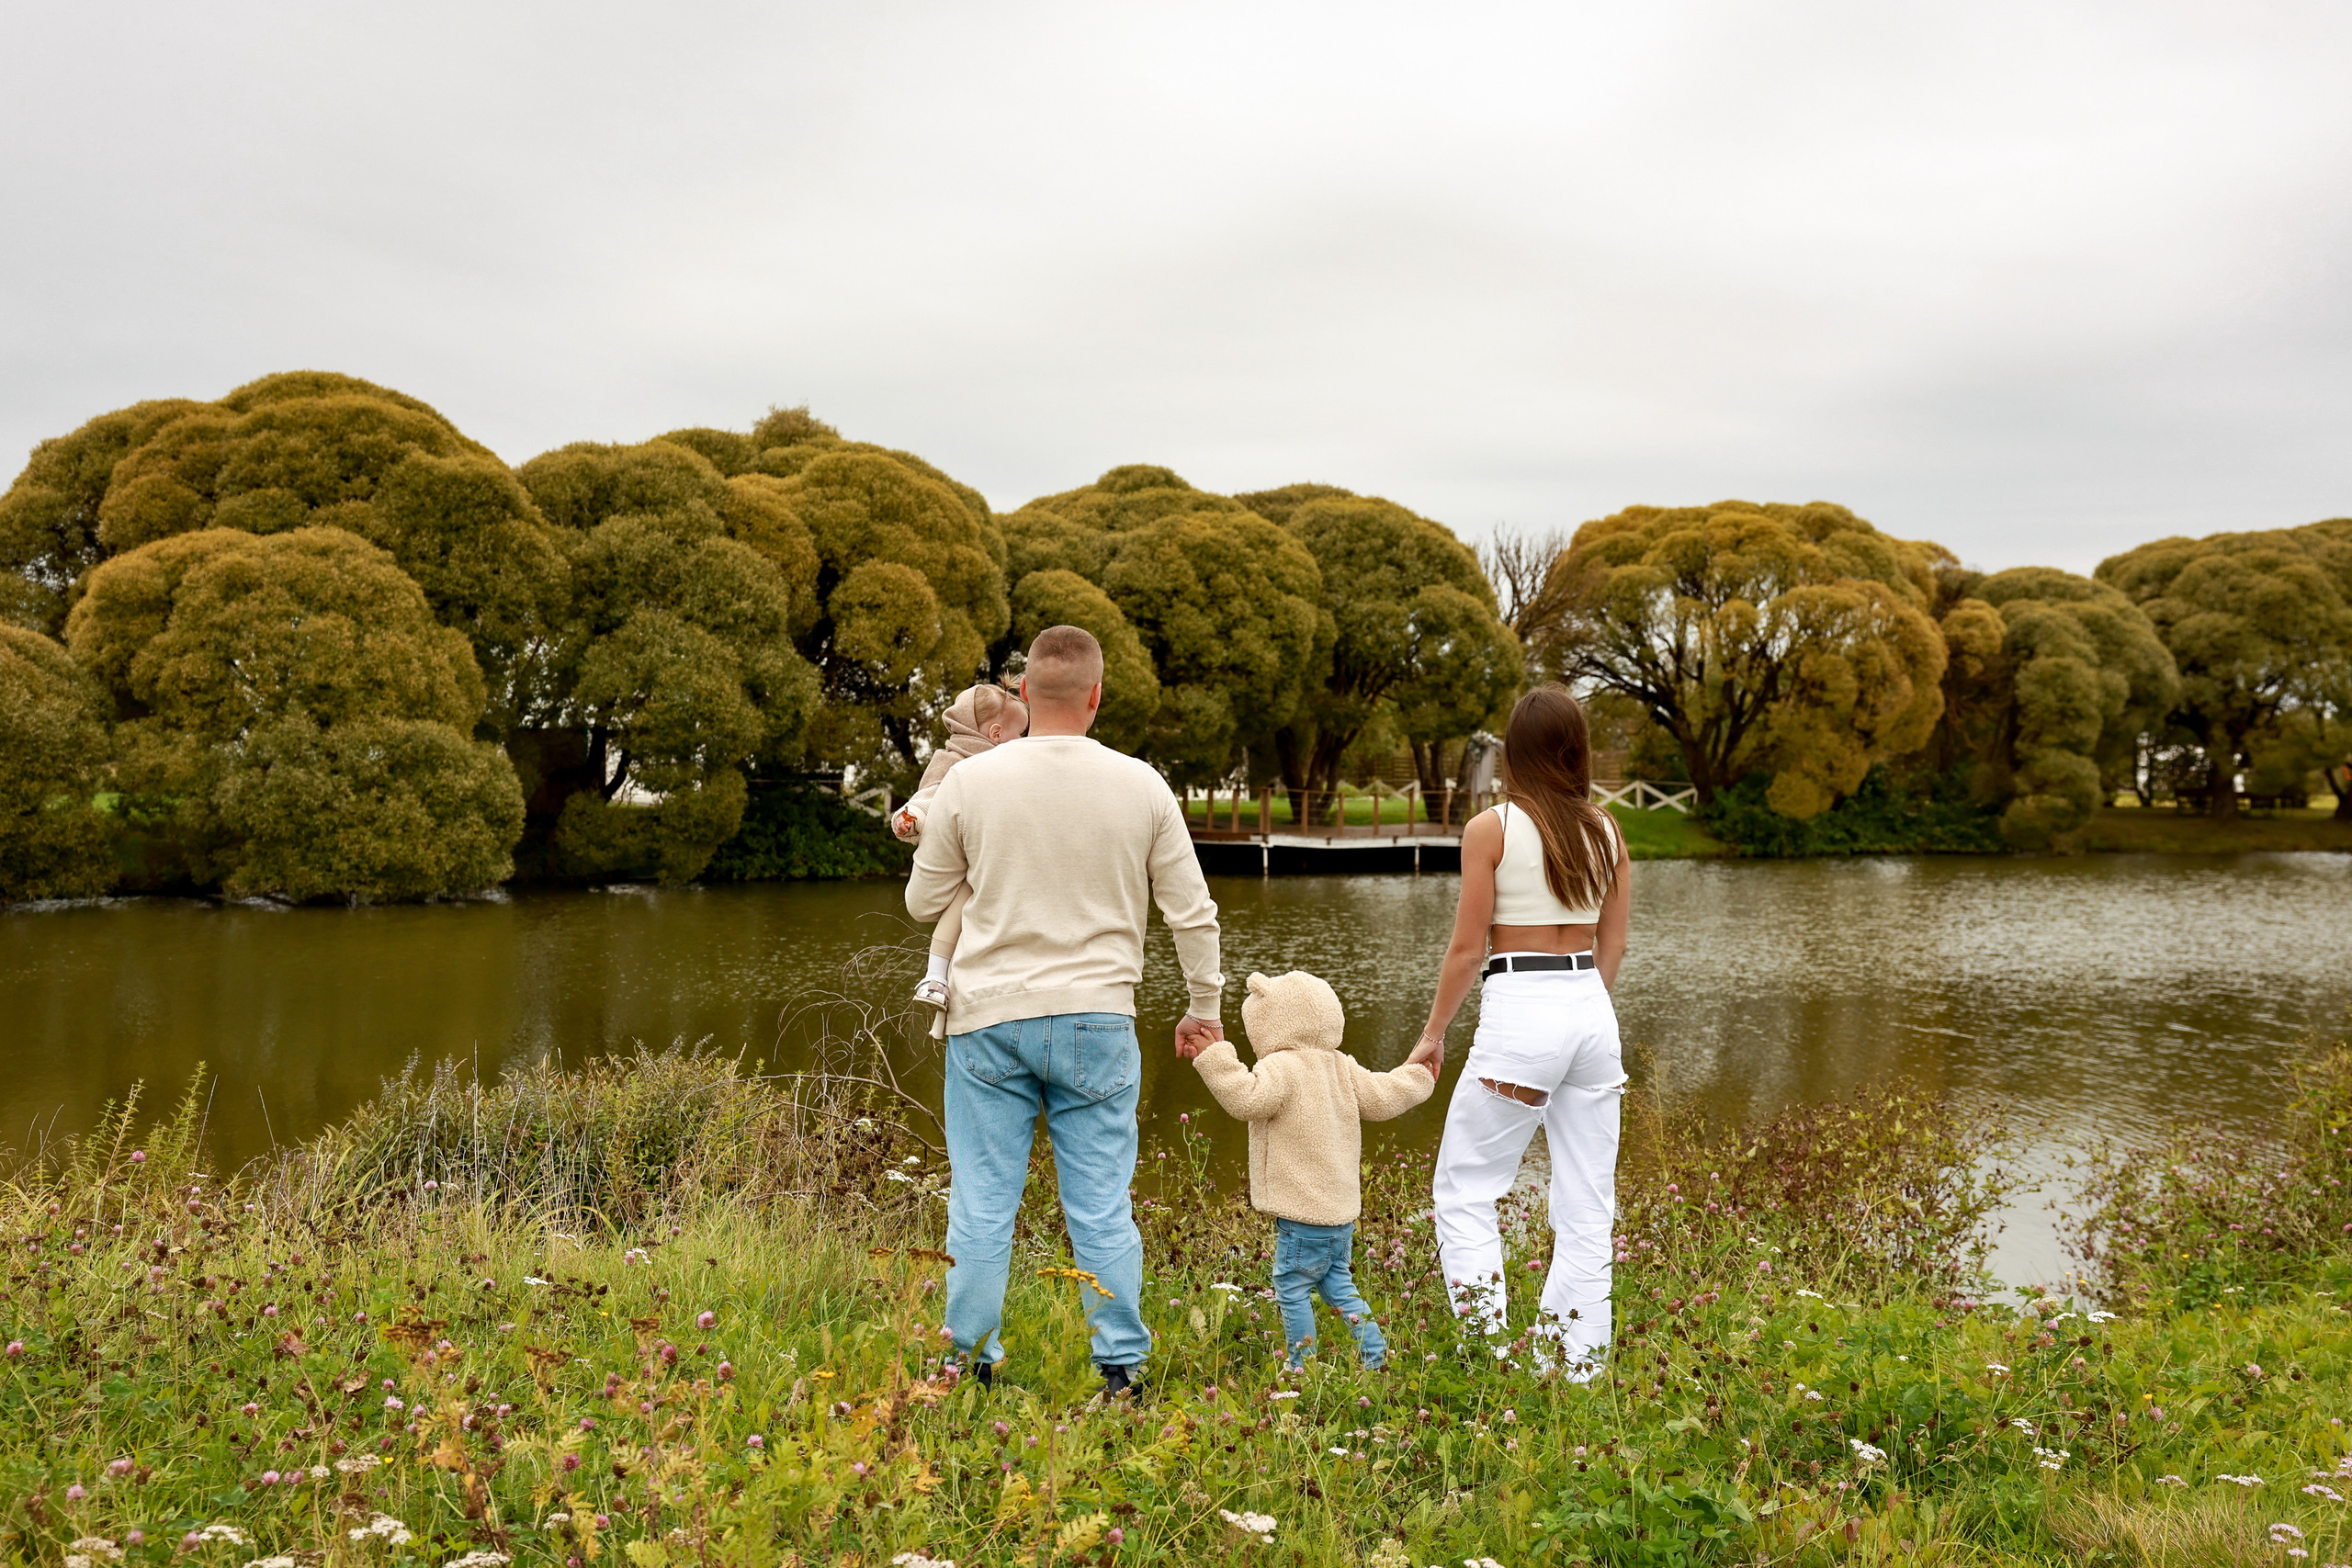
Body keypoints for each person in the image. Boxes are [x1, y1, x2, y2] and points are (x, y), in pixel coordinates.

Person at [906, 626, 1226, 1398]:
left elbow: (921, 903)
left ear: (1022, 694)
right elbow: (1193, 913)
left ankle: (966, 1364)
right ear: (1096, 694)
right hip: (1098, 1022)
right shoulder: (1142, 784)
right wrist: (1202, 1006)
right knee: (1101, 1207)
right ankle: (1122, 1372)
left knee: (982, 1203)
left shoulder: (969, 784)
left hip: (987, 1020)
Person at [1408, 684, 1632, 1378]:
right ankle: (1575, 1363)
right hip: (1591, 1010)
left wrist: (1432, 1033)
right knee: (1589, 1200)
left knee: (1467, 1187)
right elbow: (1614, 947)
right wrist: (1580, 1013)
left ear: (1514, 750)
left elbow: (1468, 951)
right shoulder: (1608, 829)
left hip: (1522, 1007)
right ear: (1576, 748)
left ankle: (1485, 1354)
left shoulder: (1492, 828)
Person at [1191, 969, 1435, 1370]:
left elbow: (1246, 1099)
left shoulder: (1281, 1067)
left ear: (1269, 1024)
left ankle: (1301, 1366)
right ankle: (1375, 1358)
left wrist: (1215, 1056)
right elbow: (1383, 1095)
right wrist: (1419, 1076)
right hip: (1340, 1216)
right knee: (1339, 1286)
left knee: (1291, 1288)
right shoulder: (1341, 1066)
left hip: (1303, 1214)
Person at [894, 682, 1029, 1026]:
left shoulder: (998, 766)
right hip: (959, 861)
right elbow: (928, 797)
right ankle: (935, 976)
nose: (1025, 741)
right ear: (997, 733)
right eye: (1021, 734)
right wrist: (912, 820)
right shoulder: (956, 764)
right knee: (965, 896)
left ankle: (943, 976)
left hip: (982, 857)